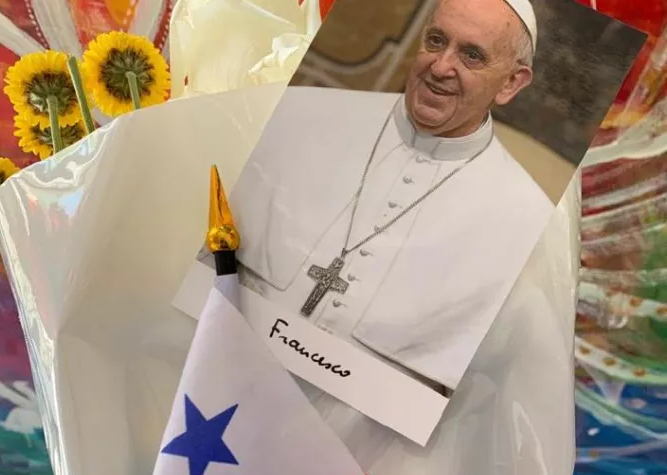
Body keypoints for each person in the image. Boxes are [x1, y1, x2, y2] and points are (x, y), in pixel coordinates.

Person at [200, 0, 553, 392]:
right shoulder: (298, 113)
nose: (440, 67)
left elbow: (494, 396)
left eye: (471, 55)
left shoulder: (527, 219)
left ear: (510, 83)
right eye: (436, 41)